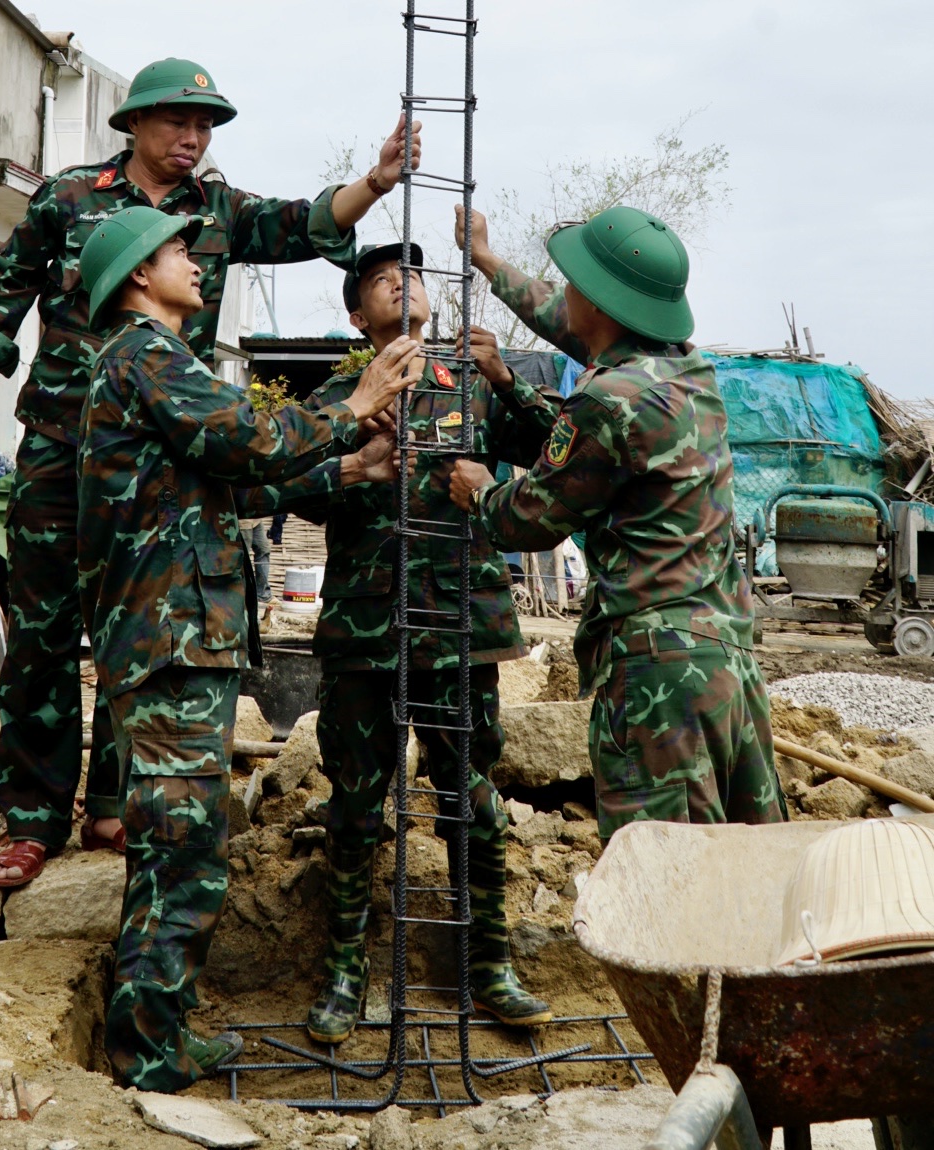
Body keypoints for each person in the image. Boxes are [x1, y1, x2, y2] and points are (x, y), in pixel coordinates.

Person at [0, 55, 421, 889]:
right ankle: (31, 814)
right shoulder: (69, 198)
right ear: (133, 125)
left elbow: (306, 224)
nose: (193, 139)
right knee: (44, 634)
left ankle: (114, 802)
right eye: (178, 123)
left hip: (168, 462)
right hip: (63, 445)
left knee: (144, 630)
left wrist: (375, 184)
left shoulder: (217, 208)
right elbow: (3, 293)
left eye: (205, 127)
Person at [76, 207, 420, 1091]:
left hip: (178, 633)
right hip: (171, 636)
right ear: (140, 276)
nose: (197, 260)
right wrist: (353, 409)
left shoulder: (155, 363)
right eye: (179, 250)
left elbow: (229, 478)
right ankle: (150, 1052)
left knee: (178, 840)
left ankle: (159, 1026)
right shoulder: (145, 355)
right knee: (182, 846)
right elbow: (247, 439)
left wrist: (348, 467)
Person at [240, 242, 561, 1043]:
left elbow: (567, 455)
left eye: (412, 274)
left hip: (460, 631)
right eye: (382, 279)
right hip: (365, 634)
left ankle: (488, 965)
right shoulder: (338, 395)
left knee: (471, 800)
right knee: (354, 807)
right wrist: (351, 465)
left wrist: (508, 380)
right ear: (358, 315)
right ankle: (345, 973)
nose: (401, 283)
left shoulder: (475, 383)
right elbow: (268, 487)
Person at [449, 205, 787, 846]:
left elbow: (532, 519)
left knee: (666, 871)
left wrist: (481, 490)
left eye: (575, 283)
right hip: (725, 661)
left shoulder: (608, 400)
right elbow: (577, 356)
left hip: (657, 677)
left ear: (599, 303)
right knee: (749, 864)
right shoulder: (689, 374)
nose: (566, 294)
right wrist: (488, 263)